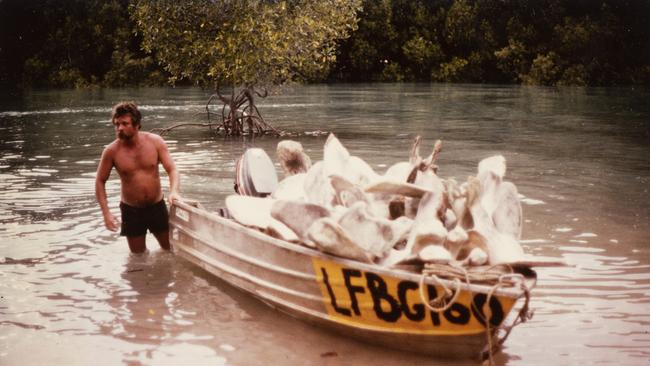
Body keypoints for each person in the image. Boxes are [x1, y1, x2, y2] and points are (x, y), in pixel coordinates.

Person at [95, 102, 181, 253]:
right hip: (131, 211)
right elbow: (100, 181)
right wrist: (106, 213)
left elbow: (172, 169)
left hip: (156, 206)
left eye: (124, 124)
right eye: (117, 124)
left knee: (170, 251)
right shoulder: (111, 151)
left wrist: (174, 191)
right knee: (138, 259)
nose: (119, 128)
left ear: (137, 125)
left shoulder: (155, 142)